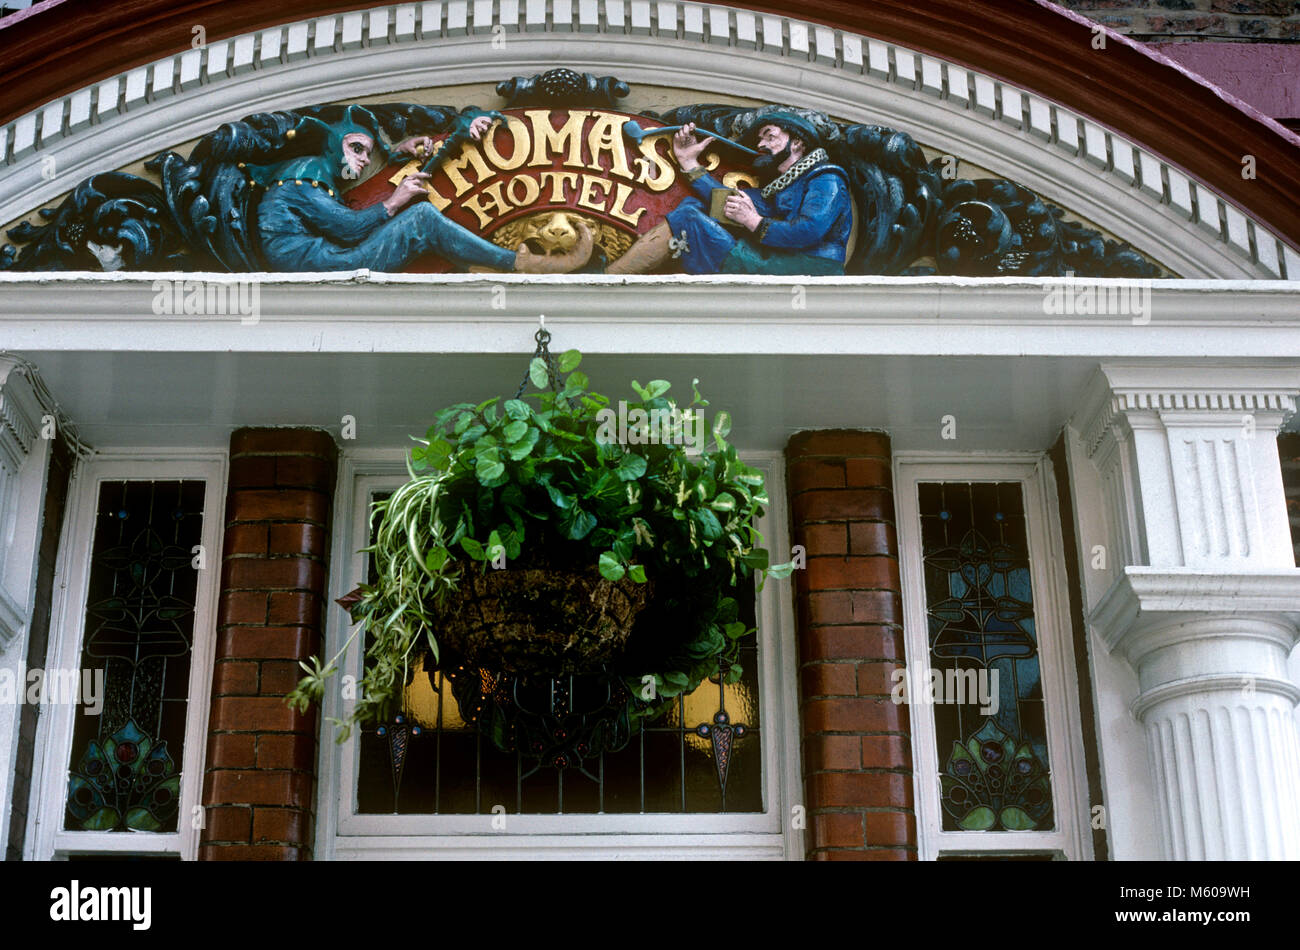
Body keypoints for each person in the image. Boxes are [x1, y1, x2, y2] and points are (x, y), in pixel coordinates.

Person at [248, 106, 590, 273]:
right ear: (333, 144)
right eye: (357, 149)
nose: (365, 161)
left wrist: (396, 152)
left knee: (422, 218)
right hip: (322, 265)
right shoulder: (304, 172)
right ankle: (523, 264)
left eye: (369, 152)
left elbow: (353, 183)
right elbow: (347, 229)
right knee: (422, 219)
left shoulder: (317, 171)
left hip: (320, 260)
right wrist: (395, 201)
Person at [607, 110, 852, 275]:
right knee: (693, 207)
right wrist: (689, 163)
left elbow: (808, 230)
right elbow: (727, 204)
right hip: (780, 263)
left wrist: (754, 221)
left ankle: (608, 278)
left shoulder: (826, 178)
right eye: (760, 139)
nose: (760, 145)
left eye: (769, 136)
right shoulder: (784, 184)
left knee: (688, 219)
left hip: (805, 268)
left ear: (797, 142)